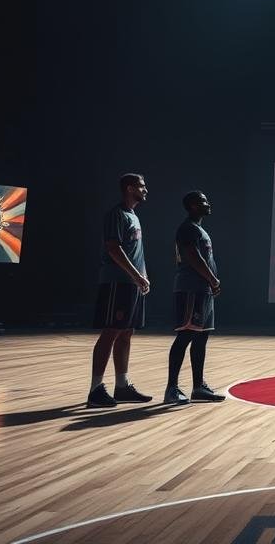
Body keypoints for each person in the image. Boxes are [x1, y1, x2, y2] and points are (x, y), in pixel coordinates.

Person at [87, 173, 153, 408]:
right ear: (128, 188)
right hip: (117, 282)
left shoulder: (133, 215)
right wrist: (136, 275)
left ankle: (122, 386)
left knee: (126, 333)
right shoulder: (116, 214)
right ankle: (95, 389)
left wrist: (141, 277)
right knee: (111, 332)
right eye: (142, 186)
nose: (146, 190)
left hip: (132, 284)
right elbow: (113, 249)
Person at [165, 190, 225, 404]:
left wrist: (211, 282)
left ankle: (198, 387)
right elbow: (193, 257)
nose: (208, 204)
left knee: (201, 337)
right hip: (191, 288)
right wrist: (212, 279)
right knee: (185, 336)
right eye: (203, 201)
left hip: (203, 290)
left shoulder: (199, 229)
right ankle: (171, 388)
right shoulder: (188, 229)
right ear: (192, 205)